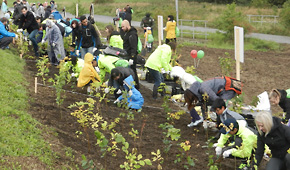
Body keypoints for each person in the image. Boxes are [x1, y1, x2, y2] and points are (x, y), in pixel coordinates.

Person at [120, 20, 139, 89]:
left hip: (131, 56)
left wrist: (132, 57)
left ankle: (135, 86)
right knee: (130, 71)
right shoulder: (127, 33)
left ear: (127, 26)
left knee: (133, 71)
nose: (122, 28)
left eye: (123, 27)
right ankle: (131, 85)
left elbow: (133, 47)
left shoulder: (132, 35)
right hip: (127, 54)